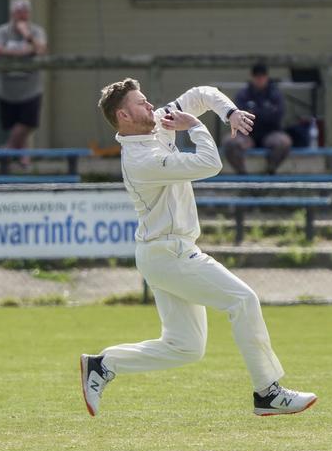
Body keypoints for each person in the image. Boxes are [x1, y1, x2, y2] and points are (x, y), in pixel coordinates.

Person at [81, 78, 317, 417]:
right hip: (168, 253)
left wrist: (230, 113)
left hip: (162, 254)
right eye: (141, 103)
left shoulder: (160, 122)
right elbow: (210, 164)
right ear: (124, 115)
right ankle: (268, 392)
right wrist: (195, 126)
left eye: (148, 99)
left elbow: (201, 94)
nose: (150, 106)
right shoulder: (140, 159)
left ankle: (103, 365)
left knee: (185, 347)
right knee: (243, 300)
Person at [0, 0, 47, 166]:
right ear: (12, 14)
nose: (21, 15)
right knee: (14, 125)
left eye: (25, 12)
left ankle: (7, 149)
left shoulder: (36, 31)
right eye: (18, 12)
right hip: (7, 89)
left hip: (31, 88)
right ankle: (24, 159)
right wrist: (23, 52)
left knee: (28, 123)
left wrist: (27, 36)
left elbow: (41, 50)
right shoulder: (2, 31)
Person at [223, 63, 292, 174]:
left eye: (262, 76)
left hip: (271, 133)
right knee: (230, 142)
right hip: (246, 134)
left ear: (267, 77)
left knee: (283, 142)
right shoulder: (243, 94)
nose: (260, 79)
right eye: (257, 76)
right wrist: (265, 112)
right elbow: (238, 116)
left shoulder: (275, 94)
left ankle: (270, 171)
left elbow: (277, 116)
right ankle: (242, 175)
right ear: (252, 77)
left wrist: (254, 113)